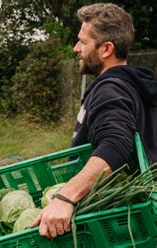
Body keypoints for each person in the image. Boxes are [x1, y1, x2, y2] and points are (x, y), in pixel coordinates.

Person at [31, 3, 157, 239]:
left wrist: (65, 197)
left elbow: (116, 144)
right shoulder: (135, 87)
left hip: (111, 228)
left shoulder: (109, 89)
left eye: (83, 42)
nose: (75, 48)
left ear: (106, 49)